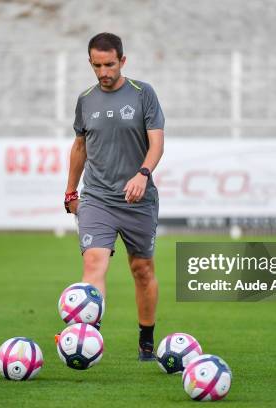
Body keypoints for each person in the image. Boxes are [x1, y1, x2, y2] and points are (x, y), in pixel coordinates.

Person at [64, 32, 165, 361]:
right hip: (97, 198)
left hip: (138, 200)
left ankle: (146, 338)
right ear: (90, 63)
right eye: (97, 65)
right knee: (94, 263)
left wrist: (143, 174)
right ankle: (87, 337)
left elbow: (157, 143)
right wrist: (70, 189)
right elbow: (80, 146)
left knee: (142, 269)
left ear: (122, 61)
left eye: (110, 64)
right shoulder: (86, 99)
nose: (104, 71)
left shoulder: (142, 94)